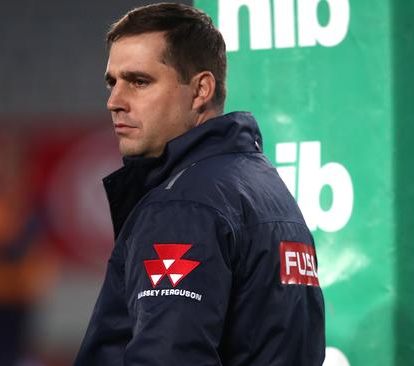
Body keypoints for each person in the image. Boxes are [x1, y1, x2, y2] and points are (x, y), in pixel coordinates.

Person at [74, 3, 325, 365]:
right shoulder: (265, 188)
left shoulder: (184, 205)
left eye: (139, 81)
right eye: (113, 82)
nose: (115, 101)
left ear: (201, 90)